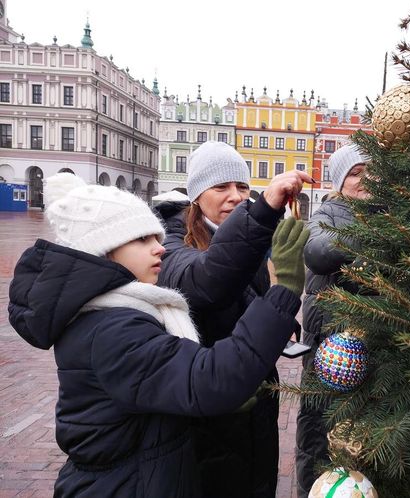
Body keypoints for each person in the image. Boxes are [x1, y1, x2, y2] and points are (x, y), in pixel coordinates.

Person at [8, 173, 309, 498]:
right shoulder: (113, 329)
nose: (159, 248)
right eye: (142, 240)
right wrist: (285, 289)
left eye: (157, 237)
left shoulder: (119, 310)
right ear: (105, 250)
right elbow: (208, 381)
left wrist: (216, 408)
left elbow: (164, 390)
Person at [155, 140, 314, 497]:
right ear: (196, 194)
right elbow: (206, 282)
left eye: (242, 186)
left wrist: (282, 326)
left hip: (256, 400)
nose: (235, 196)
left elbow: (248, 305)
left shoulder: (249, 240)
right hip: (209, 410)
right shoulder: (169, 241)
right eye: (221, 187)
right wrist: (262, 215)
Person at [295, 143, 371, 498]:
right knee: (319, 427)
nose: (366, 178)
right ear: (340, 182)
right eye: (355, 173)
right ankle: (311, 489)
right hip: (329, 342)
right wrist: (378, 234)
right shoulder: (329, 212)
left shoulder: (388, 211)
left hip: (370, 339)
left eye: (372, 169)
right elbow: (319, 251)